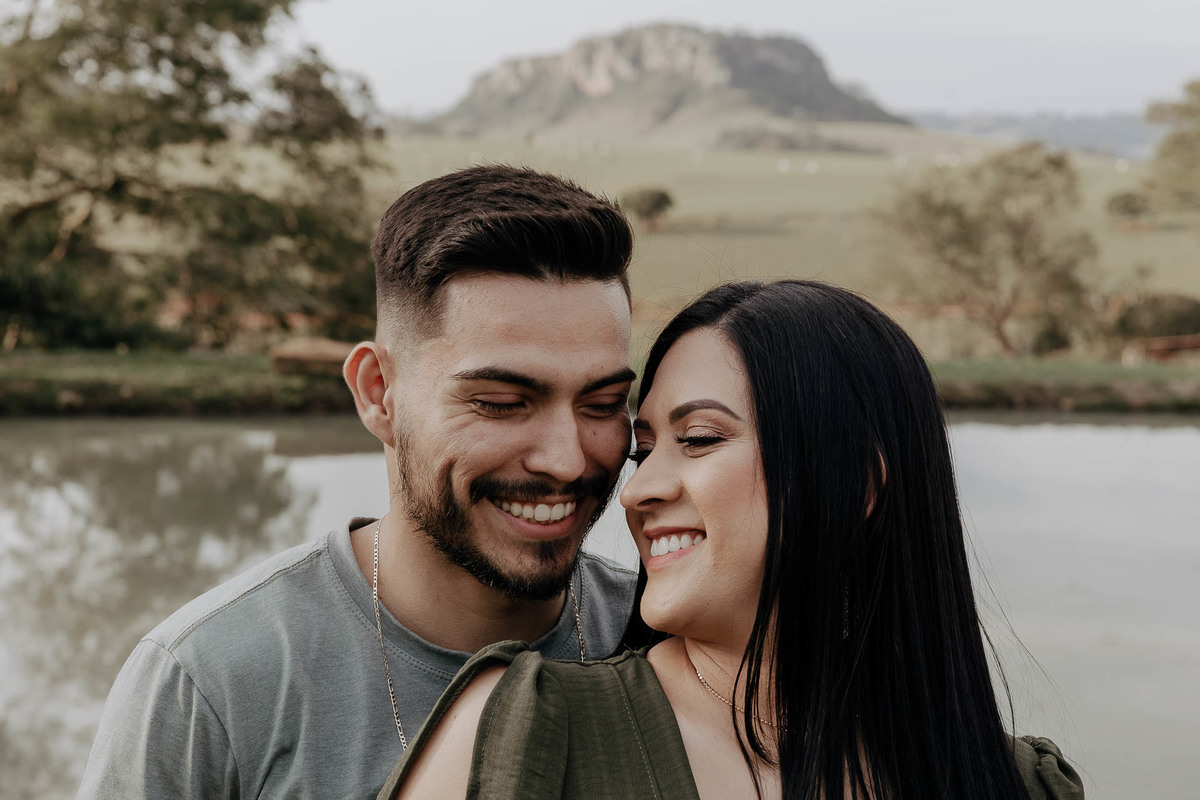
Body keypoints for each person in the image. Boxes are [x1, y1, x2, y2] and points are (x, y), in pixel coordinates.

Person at [378, 280, 1086, 800]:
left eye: (699, 439)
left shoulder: (1021, 785)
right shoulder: (532, 737)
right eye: (642, 450)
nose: (637, 491)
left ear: (855, 486)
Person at [77, 165, 642, 799]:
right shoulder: (212, 681)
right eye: (501, 402)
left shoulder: (670, 643)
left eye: (601, 404)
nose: (566, 461)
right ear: (379, 394)